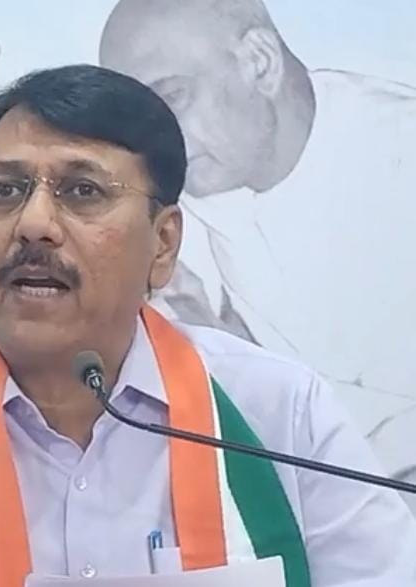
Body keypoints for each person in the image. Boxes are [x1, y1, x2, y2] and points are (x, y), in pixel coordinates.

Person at [0, 65, 416, 586]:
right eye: (5, 190)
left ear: (163, 243)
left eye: (82, 190)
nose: (33, 223)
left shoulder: (281, 414)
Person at [99, 0, 416, 511]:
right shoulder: (172, 204)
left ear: (260, 62)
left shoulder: (399, 153)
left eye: (174, 97)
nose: (154, 145)